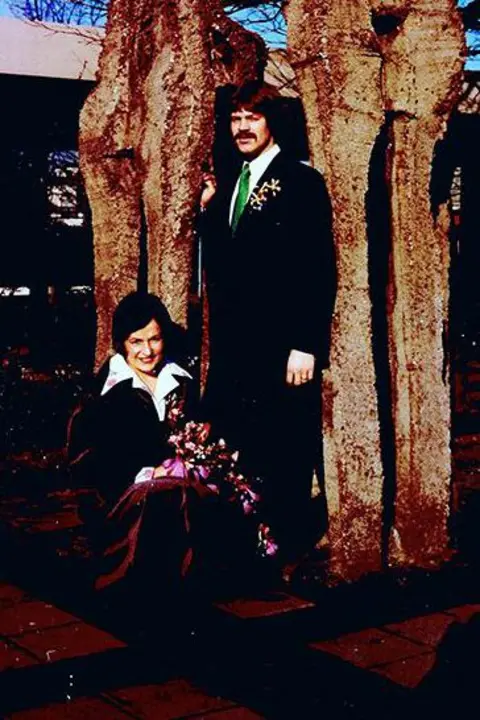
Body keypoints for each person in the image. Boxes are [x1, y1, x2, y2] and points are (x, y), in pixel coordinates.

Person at [200, 81, 336, 572]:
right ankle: (244, 547)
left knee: (284, 445)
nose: (241, 128)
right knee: (240, 441)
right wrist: (209, 212)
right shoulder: (232, 182)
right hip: (236, 345)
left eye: (251, 118)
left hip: (282, 345)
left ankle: (284, 548)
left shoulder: (300, 182)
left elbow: (318, 266)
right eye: (235, 119)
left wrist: (306, 342)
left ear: (271, 122)